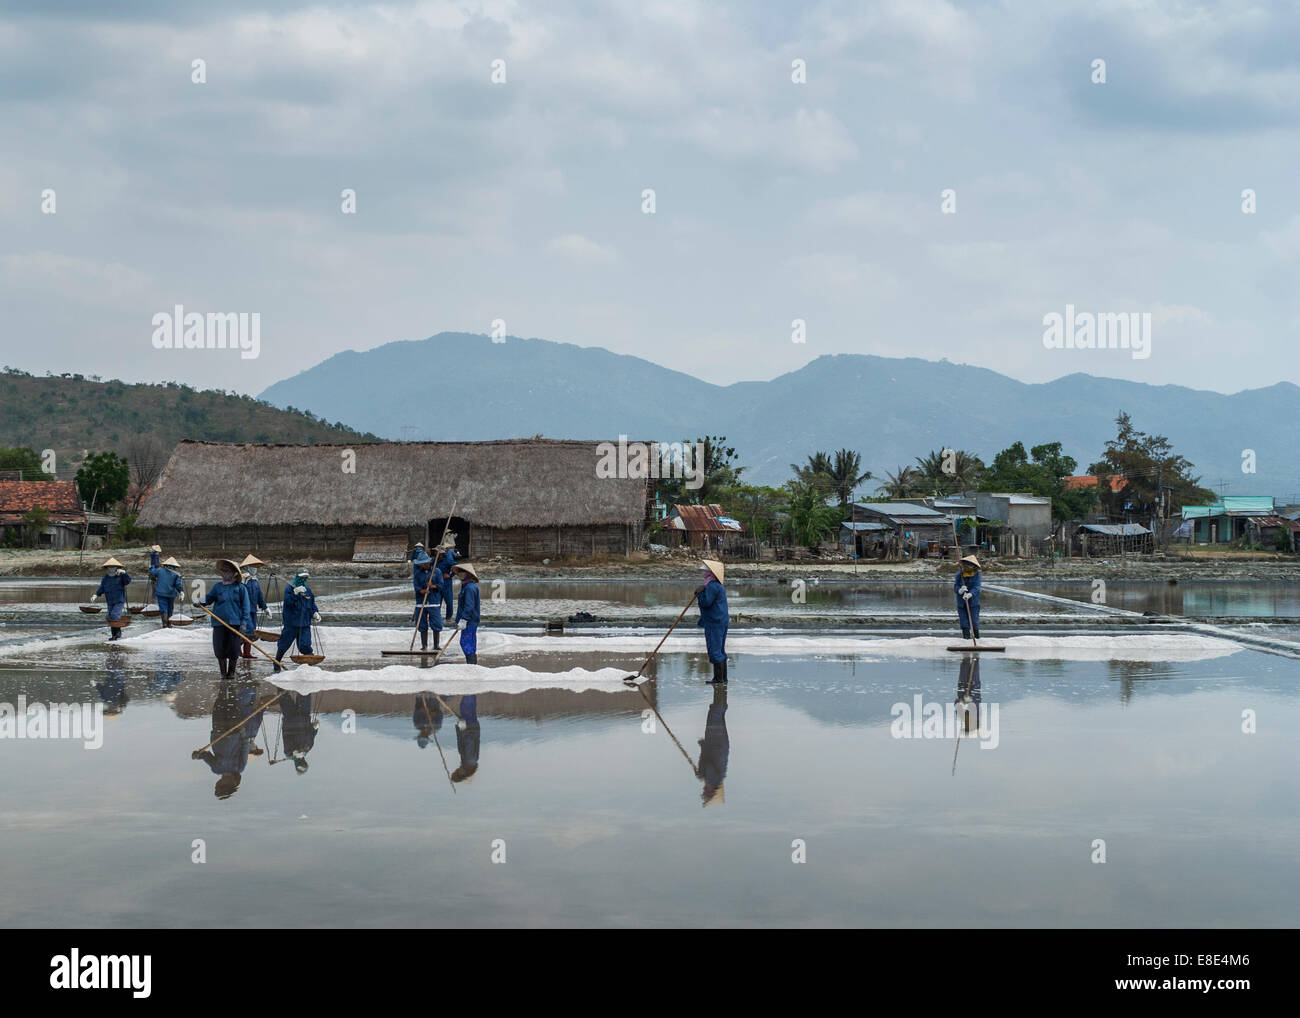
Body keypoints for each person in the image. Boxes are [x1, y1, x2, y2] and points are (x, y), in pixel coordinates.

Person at [202, 559, 254, 678]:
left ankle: (231, 674)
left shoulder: (240, 588)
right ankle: (223, 674)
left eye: (228, 571)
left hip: (234, 623)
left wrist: (244, 623)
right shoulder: (218, 587)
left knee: (233, 649)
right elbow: (209, 598)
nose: (225, 574)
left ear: (234, 573)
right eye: (224, 571)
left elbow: (246, 607)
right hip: (219, 623)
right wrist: (200, 601)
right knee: (220, 649)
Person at [275, 569, 320, 670]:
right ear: (297, 577)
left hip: (304, 623)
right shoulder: (289, 589)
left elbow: (311, 603)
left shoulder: (307, 590)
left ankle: (310, 666)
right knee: (284, 644)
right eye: (302, 577)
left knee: (305, 644)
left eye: (305, 577)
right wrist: (295, 594)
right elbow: (288, 603)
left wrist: (315, 612)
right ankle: (276, 662)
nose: (303, 579)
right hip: (291, 623)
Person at [695, 558, 729, 684]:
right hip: (721, 620)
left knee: (715, 650)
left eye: (705, 571)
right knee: (720, 649)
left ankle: (719, 679)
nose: (703, 573)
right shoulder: (716, 585)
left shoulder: (712, 586)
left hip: (715, 622)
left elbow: (706, 602)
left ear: (710, 573)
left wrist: (699, 594)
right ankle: (722, 678)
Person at [696, 683, 728, 807]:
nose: (704, 790)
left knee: (715, 715)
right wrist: (702, 772)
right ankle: (720, 693)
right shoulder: (713, 779)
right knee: (715, 714)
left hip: (716, 742)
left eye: (704, 792)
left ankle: (721, 695)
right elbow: (708, 762)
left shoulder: (713, 779)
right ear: (712, 791)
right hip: (717, 742)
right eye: (706, 792)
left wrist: (701, 772)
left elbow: (706, 761)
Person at [410, 544, 444, 651]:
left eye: (422, 564)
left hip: (434, 601)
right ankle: (424, 645)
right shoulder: (418, 573)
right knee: (422, 623)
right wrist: (422, 590)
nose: (421, 566)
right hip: (421, 602)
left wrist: (432, 586)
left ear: (427, 563)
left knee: (436, 623)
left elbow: (441, 585)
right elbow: (416, 586)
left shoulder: (436, 572)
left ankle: (436, 645)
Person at [91, 557, 131, 641]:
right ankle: (114, 634)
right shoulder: (105, 578)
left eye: (113, 567)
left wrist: (124, 573)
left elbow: (127, 581)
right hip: (109, 600)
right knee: (110, 617)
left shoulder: (120, 576)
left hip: (119, 600)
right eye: (110, 567)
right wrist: (95, 595)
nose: (112, 568)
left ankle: (117, 634)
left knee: (114, 615)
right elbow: (101, 588)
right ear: (107, 568)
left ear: (117, 567)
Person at [238, 555, 270, 658]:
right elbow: (237, 595)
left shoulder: (255, 581)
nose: (254, 569)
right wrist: (242, 581)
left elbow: (259, 595)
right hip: (243, 610)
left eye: (255, 567)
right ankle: (236, 649)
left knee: (252, 632)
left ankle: (247, 653)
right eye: (252, 567)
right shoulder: (241, 580)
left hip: (253, 610)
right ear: (247, 567)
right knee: (247, 631)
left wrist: (265, 607)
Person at [453, 562, 480, 665]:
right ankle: (472, 664)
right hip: (471, 620)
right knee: (470, 643)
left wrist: (464, 619)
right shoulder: (467, 586)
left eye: (461, 572)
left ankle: (471, 664)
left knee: (465, 642)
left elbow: (469, 606)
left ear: (467, 574)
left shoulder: (470, 588)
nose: (459, 574)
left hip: (470, 620)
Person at [149, 555, 184, 628]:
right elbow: (178, 584)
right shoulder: (176, 574)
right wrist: (181, 591)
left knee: (163, 608)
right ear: (174, 566)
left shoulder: (159, 570)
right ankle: (169, 624)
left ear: (165, 565)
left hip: (161, 593)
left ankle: (164, 624)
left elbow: (152, 572)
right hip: (171, 594)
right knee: (170, 608)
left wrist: (151, 567)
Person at [954, 554, 982, 640]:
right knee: (964, 621)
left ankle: (976, 638)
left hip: (973, 602)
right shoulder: (960, 575)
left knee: (973, 621)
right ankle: (966, 637)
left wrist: (970, 594)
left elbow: (977, 587)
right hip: (962, 602)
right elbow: (955, 586)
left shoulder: (977, 575)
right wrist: (960, 590)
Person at [452, 694, 479, 782]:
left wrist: (459, 728)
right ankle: (470, 689)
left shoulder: (468, 761)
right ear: (462, 774)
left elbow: (463, 741)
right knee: (465, 706)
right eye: (457, 772)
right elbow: (469, 741)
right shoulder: (469, 760)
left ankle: (472, 690)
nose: (457, 769)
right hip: (470, 727)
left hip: (471, 728)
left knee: (470, 706)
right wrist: (463, 728)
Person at [437, 540, 460, 620]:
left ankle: (448, 617)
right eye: (436, 553)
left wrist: (450, 575)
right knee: (437, 602)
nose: (437, 554)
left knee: (449, 602)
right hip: (436, 584)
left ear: (442, 554)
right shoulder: (434, 561)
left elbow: (456, 567)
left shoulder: (447, 560)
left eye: (439, 553)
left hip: (446, 583)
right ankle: (435, 616)